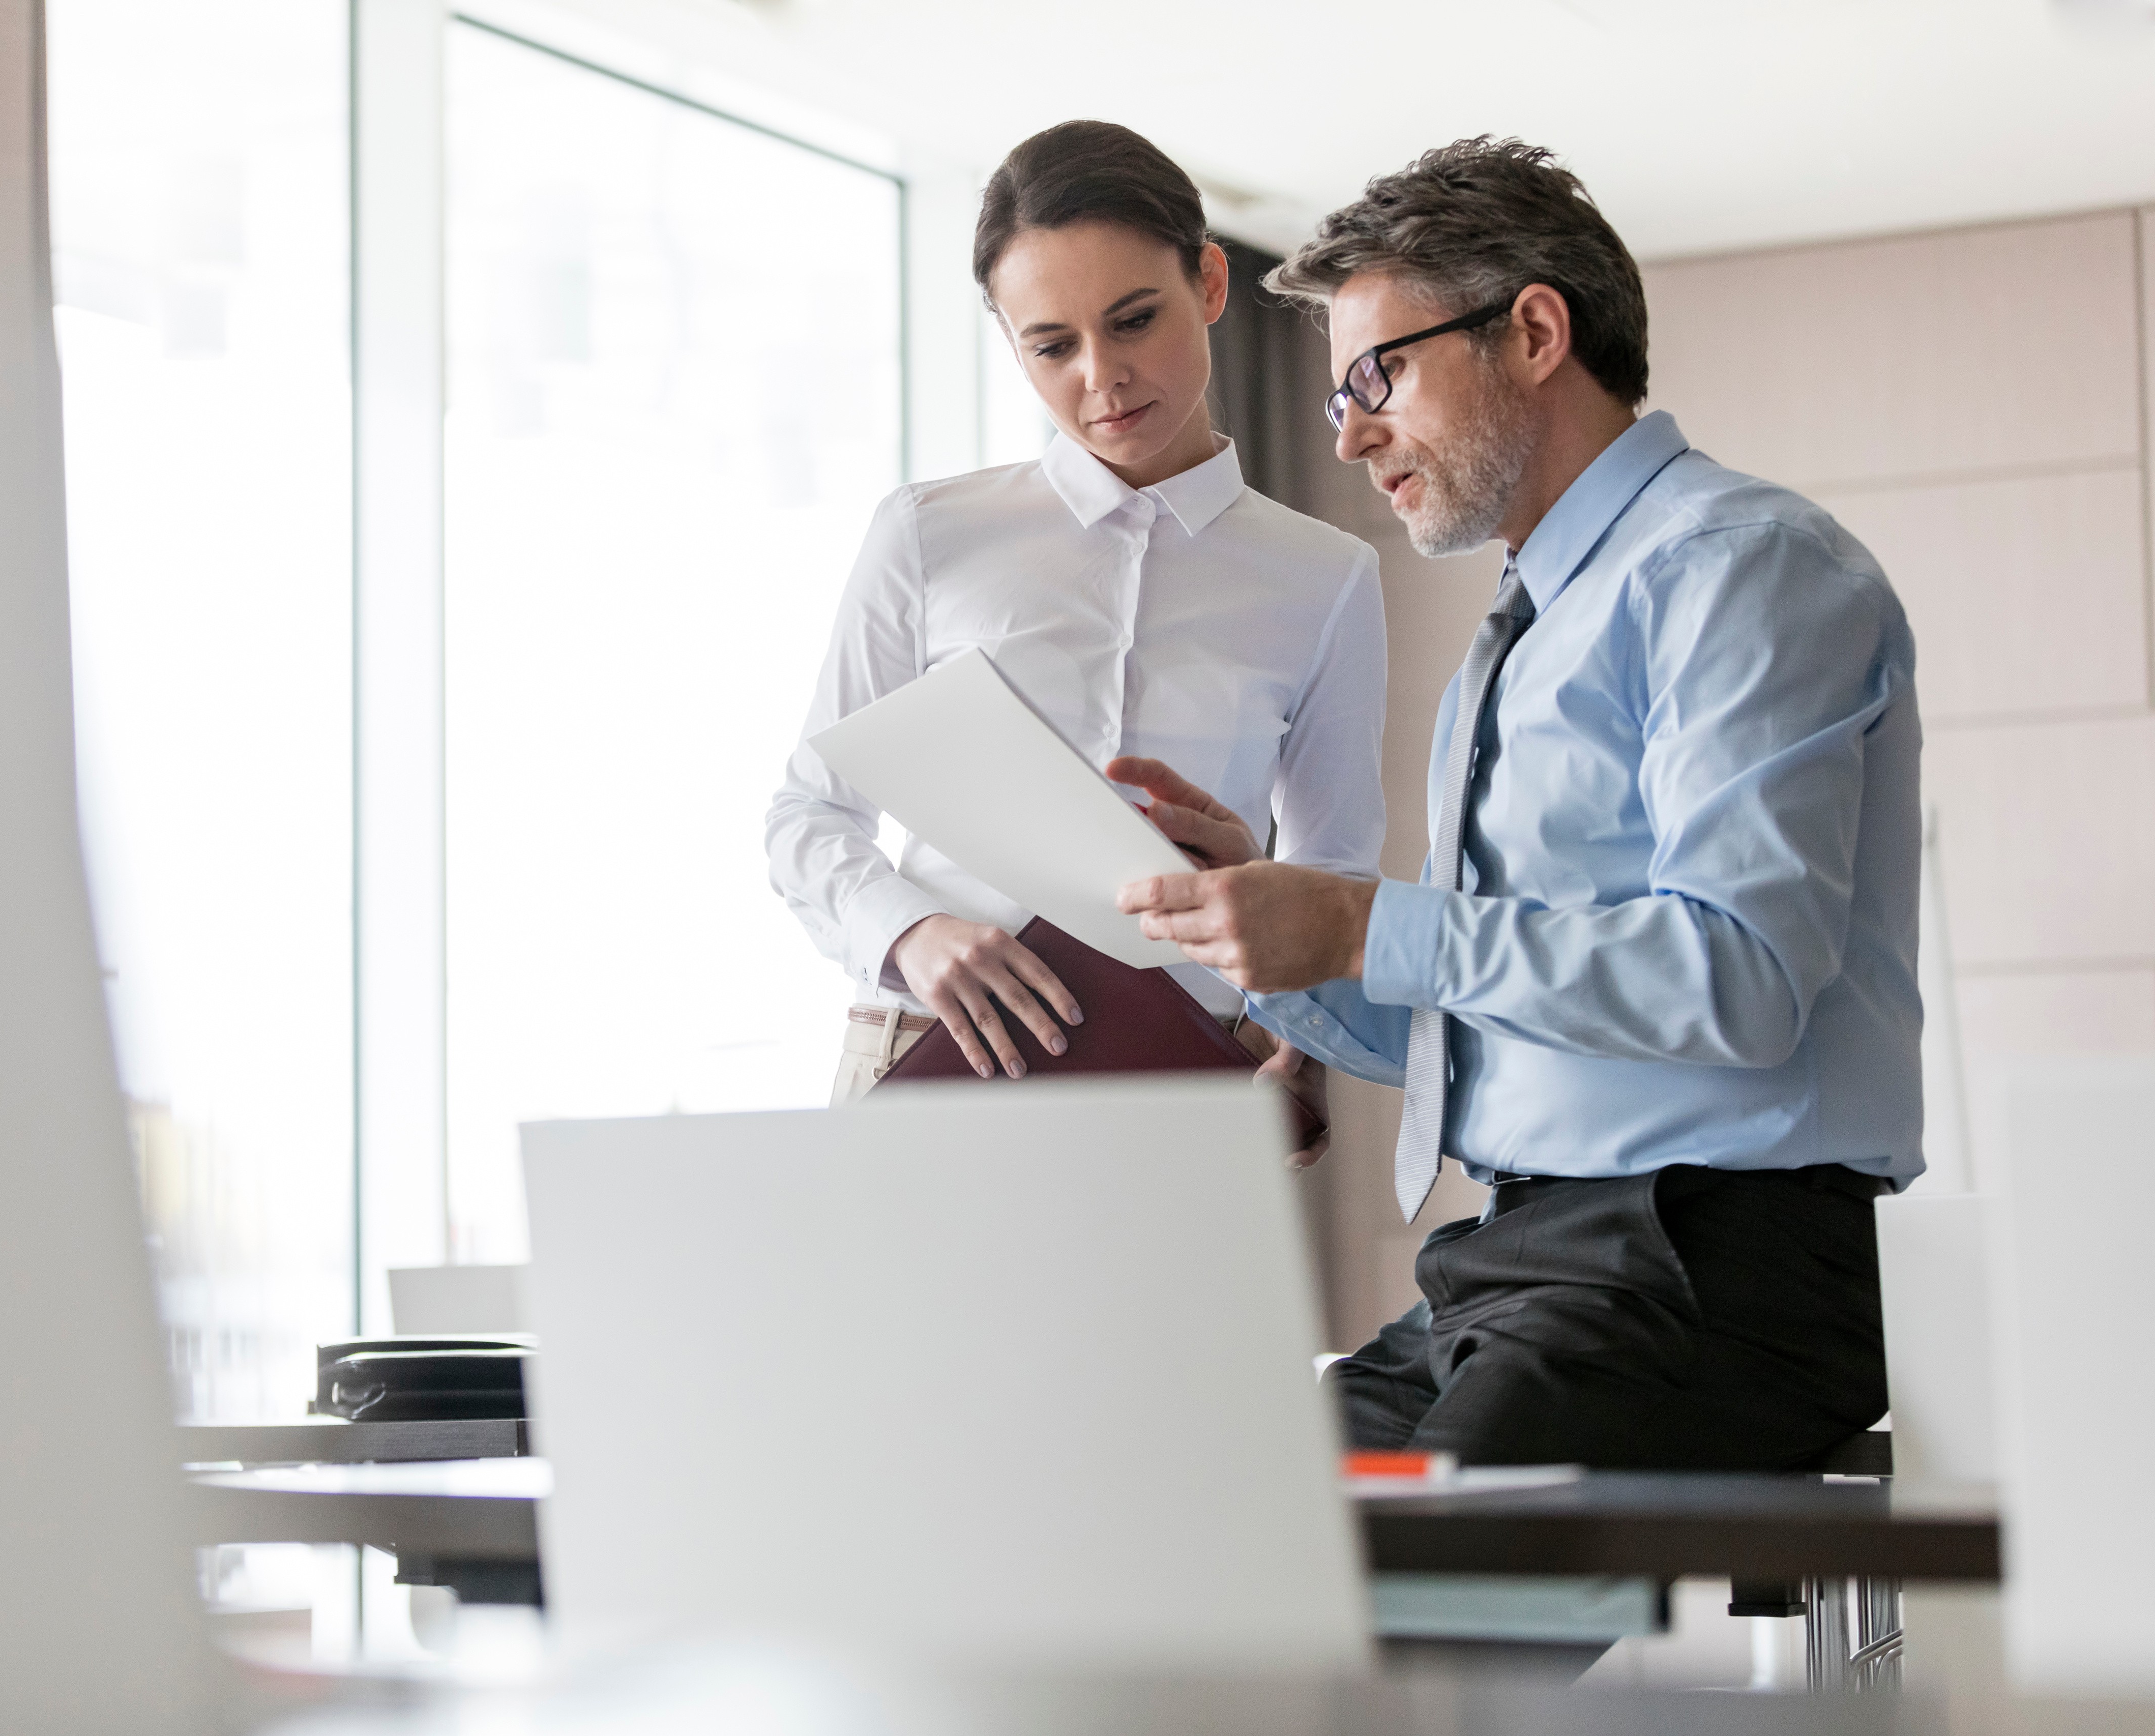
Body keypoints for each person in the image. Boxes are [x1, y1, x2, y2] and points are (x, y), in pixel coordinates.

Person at [1116, 137, 1920, 1470]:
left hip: (1718, 1253)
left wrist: (1365, 925)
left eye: (1377, 376)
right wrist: (1257, 924)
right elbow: (1490, 1017)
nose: (1352, 435)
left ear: (1535, 332)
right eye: (1336, 399)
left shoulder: (1736, 566)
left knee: (1395, 1580)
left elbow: (1739, 977)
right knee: (1225, 1519)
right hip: (1523, 1257)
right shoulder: (1526, 628)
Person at [767, 120, 1385, 1107]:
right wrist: (910, 933)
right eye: (1052, 345)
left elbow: (1335, 873)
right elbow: (808, 814)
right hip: (925, 1050)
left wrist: (1299, 1051)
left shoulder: (1327, 578)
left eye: (1133, 320)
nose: (1101, 377)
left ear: (1209, 283)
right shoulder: (926, 535)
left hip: (1179, 1080)